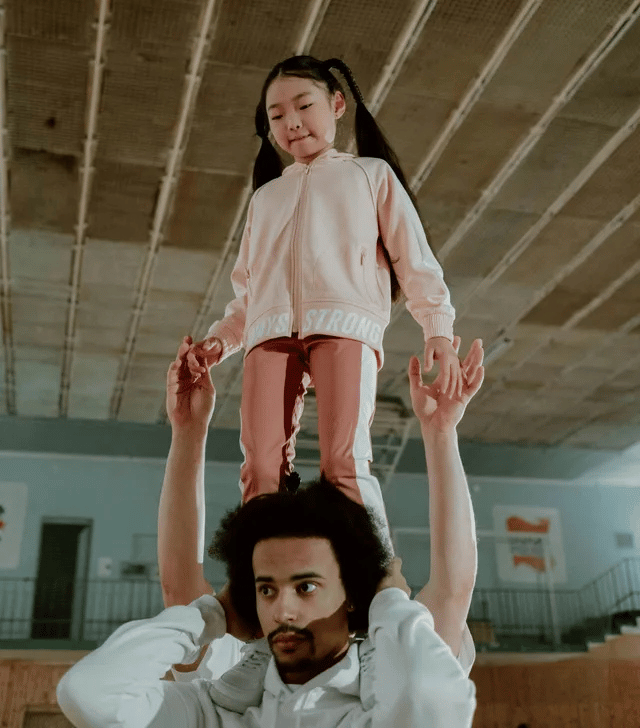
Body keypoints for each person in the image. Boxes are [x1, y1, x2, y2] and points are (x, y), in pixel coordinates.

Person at [57, 334, 482, 727]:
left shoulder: (383, 700)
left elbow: (449, 610)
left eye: (306, 587)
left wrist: (388, 602)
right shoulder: (218, 709)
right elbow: (89, 694)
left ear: (355, 593)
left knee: (350, 471)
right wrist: (215, 614)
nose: (282, 610)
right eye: (266, 589)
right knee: (266, 475)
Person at [185, 55, 462, 536]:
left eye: (303, 105)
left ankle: (366, 577)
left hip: (345, 328)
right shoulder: (266, 197)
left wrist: (437, 326)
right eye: (276, 116)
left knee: (343, 461)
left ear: (336, 104)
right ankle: (262, 575)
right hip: (267, 337)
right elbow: (250, 291)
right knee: (259, 466)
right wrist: (220, 341)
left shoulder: (369, 175)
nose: (291, 122)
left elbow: (413, 258)